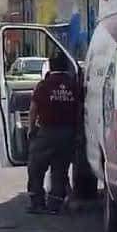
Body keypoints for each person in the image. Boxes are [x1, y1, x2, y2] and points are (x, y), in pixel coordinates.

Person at [26, 53, 81, 214]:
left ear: (51, 67)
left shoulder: (44, 85)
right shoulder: (74, 86)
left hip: (47, 132)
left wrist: (31, 129)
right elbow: (79, 110)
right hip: (67, 133)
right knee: (60, 169)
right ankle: (55, 205)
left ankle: (37, 202)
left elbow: (33, 109)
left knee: (36, 167)